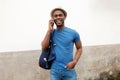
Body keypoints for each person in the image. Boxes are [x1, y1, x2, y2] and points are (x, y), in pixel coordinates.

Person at [41, 7, 82, 80]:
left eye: (60, 15)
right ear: (53, 19)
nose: (58, 17)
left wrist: (74, 61)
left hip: (69, 70)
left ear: (64, 17)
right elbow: (43, 47)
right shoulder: (51, 33)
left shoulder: (73, 33)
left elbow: (79, 48)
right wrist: (49, 30)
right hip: (55, 71)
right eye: (55, 16)